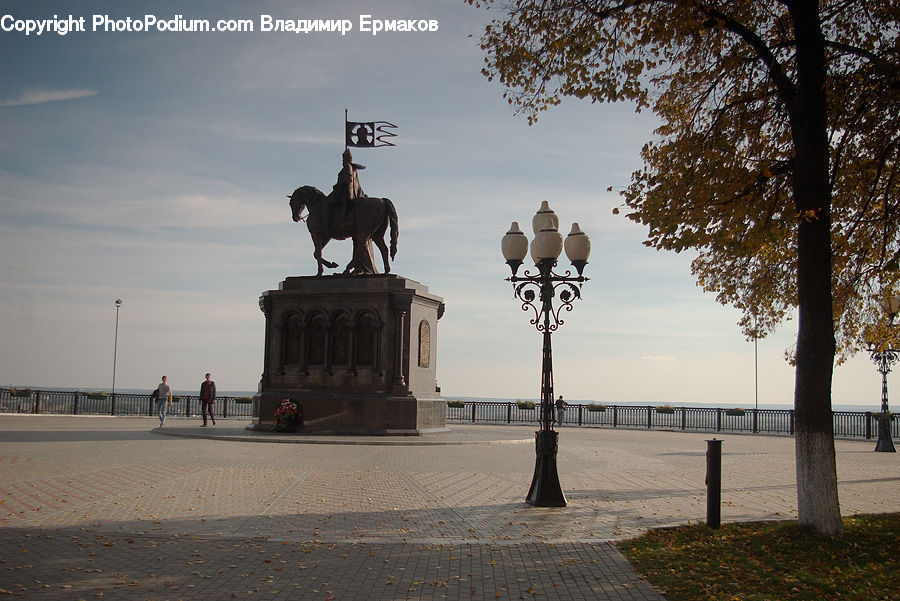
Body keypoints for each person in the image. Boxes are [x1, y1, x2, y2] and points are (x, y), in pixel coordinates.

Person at [330, 148, 365, 226]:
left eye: (344, 159)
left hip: (345, 191)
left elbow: (349, 179)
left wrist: (338, 186)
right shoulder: (353, 168)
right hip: (351, 190)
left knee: (329, 203)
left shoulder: (347, 166)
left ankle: (342, 216)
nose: (342, 161)